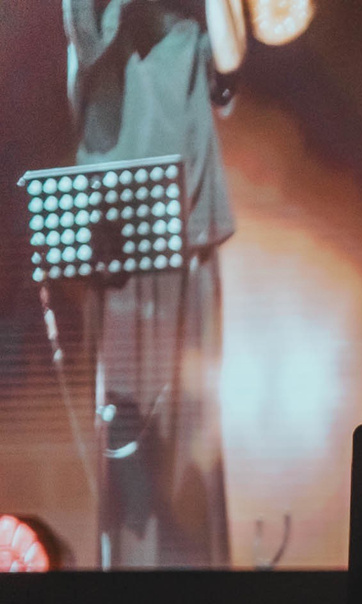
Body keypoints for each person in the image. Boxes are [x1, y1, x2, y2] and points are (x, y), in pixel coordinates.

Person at [64, 0, 246, 566]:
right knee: (131, 433)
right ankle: (131, 578)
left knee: (194, 424)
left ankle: (197, 576)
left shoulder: (190, 22)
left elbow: (231, 61)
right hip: (120, 234)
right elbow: (91, 47)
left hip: (188, 219)